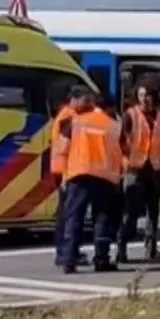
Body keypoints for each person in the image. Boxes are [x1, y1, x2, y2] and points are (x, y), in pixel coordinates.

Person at [56, 91, 125, 273]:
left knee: (74, 218)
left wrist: (64, 176)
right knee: (102, 219)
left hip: (78, 176)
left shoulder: (76, 121)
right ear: (110, 108)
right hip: (104, 178)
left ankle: (68, 260)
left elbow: (63, 149)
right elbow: (119, 155)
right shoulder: (114, 126)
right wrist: (117, 180)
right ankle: (101, 259)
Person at [118, 85, 160, 263]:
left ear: (153, 97)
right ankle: (121, 249)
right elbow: (121, 142)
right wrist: (125, 163)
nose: (144, 99)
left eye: (147, 95)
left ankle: (151, 249)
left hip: (154, 170)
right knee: (130, 213)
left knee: (153, 213)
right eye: (141, 95)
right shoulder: (130, 115)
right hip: (134, 170)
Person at [48, 87, 89, 268]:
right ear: (75, 99)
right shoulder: (69, 117)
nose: (88, 104)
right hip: (64, 170)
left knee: (66, 213)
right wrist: (66, 175)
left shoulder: (67, 115)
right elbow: (66, 148)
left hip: (63, 169)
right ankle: (65, 252)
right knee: (68, 215)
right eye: (85, 100)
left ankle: (66, 251)